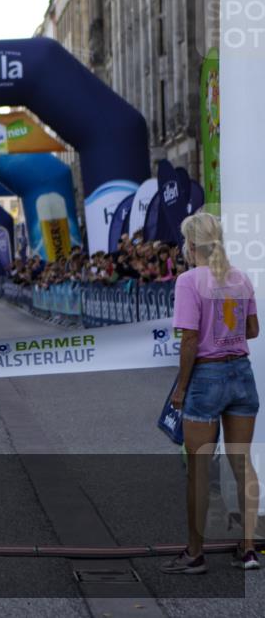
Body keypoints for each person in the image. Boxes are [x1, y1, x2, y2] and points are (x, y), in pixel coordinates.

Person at [161, 213, 260, 574]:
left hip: (206, 376)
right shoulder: (241, 278)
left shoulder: (188, 281)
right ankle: (248, 550)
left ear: (190, 245)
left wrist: (181, 387)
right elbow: (252, 330)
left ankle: (195, 552)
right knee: (242, 464)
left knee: (199, 470)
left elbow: (188, 339)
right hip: (242, 374)